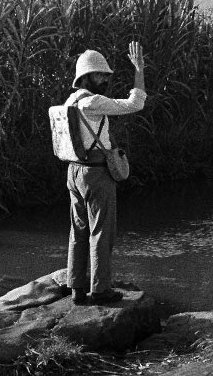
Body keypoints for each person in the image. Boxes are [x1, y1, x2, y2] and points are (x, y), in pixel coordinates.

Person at [64, 42, 146, 305]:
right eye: (100, 74)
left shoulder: (71, 101)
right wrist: (139, 70)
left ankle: (77, 289)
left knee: (78, 231)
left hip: (74, 171)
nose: (105, 79)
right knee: (101, 231)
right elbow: (135, 103)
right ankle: (100, 291)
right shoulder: (93, 101)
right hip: (96, 173)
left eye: (106, 75)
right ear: (85, 77)